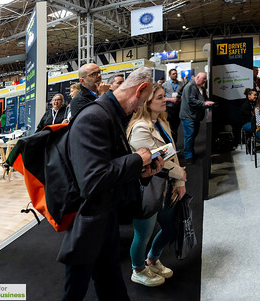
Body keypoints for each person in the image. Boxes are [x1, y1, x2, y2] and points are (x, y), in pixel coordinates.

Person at [61, 67, 164, 301]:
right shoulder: (93, 117)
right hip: (87, 221)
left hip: (104, 218)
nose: (140, 108)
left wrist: (141, 172)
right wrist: (137, 159)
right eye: (144, 101)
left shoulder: (110, 115)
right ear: (140, 89)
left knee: (111, 285)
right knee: (75, 291)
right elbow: (92, 180)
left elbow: (111, 165)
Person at [126, 83, 186, 287]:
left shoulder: (162, 122)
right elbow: (154, 162)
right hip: (148, 189)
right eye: (160, 97)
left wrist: (179, 180)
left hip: (168, 186)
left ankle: (152, 260)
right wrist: (181, 175)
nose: (165, 100)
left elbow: (172, 156)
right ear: (147, 103)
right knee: (143, 234)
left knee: (170, 229)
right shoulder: (140, 128)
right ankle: (138, 269)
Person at [180, 73, 214, 164]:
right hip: (188, 116)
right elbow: (191, 101)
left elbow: (202, 99)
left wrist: (206, 102)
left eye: (205, 79)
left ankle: (190, 152)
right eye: (203, 79)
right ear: (197, 77)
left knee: (192, 136)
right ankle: (188, 156)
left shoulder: (201, 88)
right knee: (189, 136)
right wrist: (204, 104)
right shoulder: (190, 86)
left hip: (196, 116)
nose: (205, 81)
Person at [162, 69, 183, 141]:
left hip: (178, 109)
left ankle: (175, 144)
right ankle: (169, 144)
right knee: (168, 127)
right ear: (169, 75)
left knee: (176, 128)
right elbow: (161, 98)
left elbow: (183, 95)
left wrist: (180, 99)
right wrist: (170, 99)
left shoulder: (181, 84)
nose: (175, 75)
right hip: (168, 109)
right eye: (173, 74)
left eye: (176, 73)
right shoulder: (165, 85)